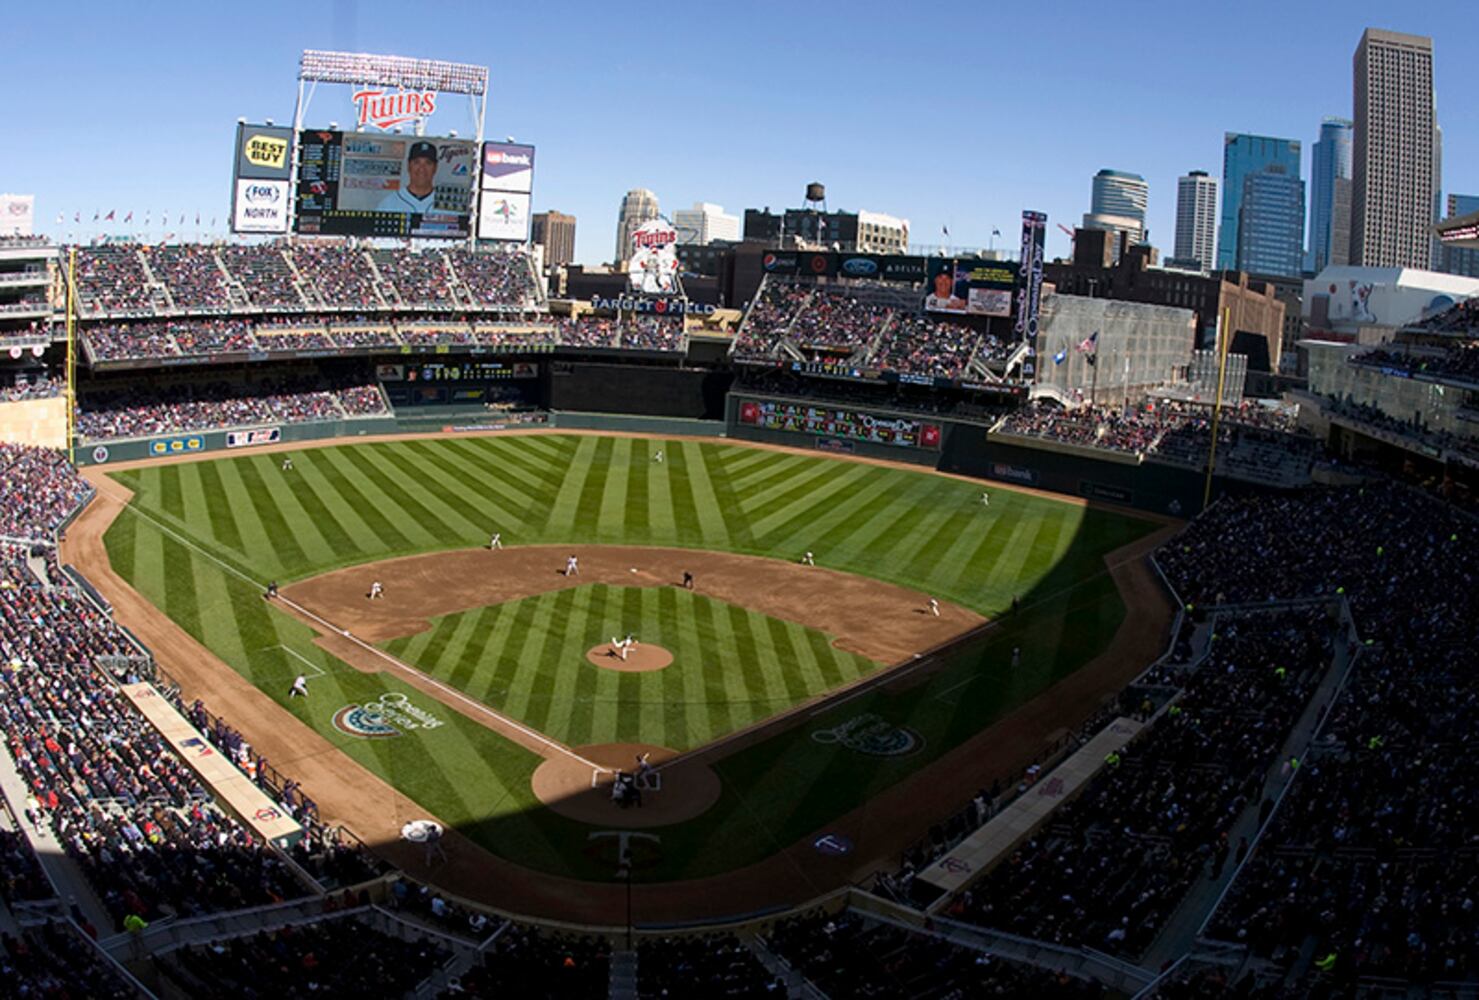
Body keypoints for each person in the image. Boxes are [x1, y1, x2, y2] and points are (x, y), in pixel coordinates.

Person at [377, 141, 440, 214]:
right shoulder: (389, 203)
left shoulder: (447, 204)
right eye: (417, 162)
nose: (422, 169)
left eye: (428, 163)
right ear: (409, 166)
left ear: (435, 167)